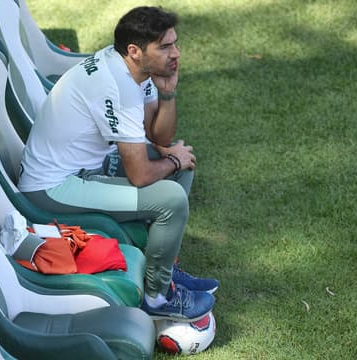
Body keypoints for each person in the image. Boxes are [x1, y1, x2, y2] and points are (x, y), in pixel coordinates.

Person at [18, 6, 218, 321]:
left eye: (175, 44)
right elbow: (140, 174)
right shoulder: (118, 86)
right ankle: (156, 297)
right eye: (165, 47)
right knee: (171, 198)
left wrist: (168, 95)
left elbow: (159, 136)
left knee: (180, 164)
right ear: (135, 51)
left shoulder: (133, 68)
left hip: (85, 170)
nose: (175, 53)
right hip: (53, 188)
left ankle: (165, 268)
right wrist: (172, 161)